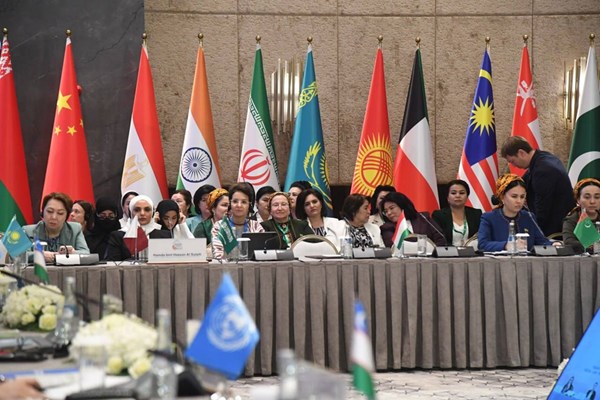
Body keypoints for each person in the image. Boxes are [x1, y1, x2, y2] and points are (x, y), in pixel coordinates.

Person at [501, 136, 575, 236]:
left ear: (521, 153)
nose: (513, 166)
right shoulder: (542, 158)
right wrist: (502, 192)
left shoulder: (543, 170)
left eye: (513, 161)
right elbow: (521, 182)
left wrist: (531, 232)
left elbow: (542, 209)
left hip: (554, 231)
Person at [478, 174, 557, 252]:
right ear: (502, 197)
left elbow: (542, 241)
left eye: (522, 197)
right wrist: (506, 245)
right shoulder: (489, 218)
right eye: (514, 196)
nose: (519, 201)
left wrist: (554, 244)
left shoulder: (529, 216)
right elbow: (482, 245)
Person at [24, 192, 90, 263]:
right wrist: (38, 255)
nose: (54, 217)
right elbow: (20, 255)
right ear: (42, 212)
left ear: (67, 216)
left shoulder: (75, 229)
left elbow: (86, 253)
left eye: (60, 213)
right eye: (50, 211)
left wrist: (72, 253)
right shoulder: (28, 231)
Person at [105, 195, 171, 261]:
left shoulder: (165, 236)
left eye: (147, 210)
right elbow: (113, 263)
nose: (142, 213)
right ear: (131, 212)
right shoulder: (118, 236)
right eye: (137, 210)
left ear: (152, 213)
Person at [211, 184, 264, 259]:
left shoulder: (256, 226)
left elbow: (262, 253)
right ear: (230, 204)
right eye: (235, 201)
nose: (239, 205)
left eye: (244, 202)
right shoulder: (220, 226)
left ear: (249, 205)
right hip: (226, 265)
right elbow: (218, 254)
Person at [380, 192, 446, 247]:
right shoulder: (387, 227)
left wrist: (432, 253)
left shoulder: (423, 218)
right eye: (385, 211)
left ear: (402, 205)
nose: (389, 213)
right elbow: (392, 246)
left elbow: (440, 238)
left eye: (391, 208)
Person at [432, 179, 482, 246]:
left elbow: (480, 237)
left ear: (467, 197)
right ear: (447, 197)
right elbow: (439, 239)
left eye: (462, 193)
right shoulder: (439, 215)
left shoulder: (476, 214)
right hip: (448, 251)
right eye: (453, 193)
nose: (458, 196)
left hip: (473, 251)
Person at [562, 178, 600, 254]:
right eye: (587, 197)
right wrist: (594, 246)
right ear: (578, 200)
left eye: (597, 197)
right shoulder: (572, 219)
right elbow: (569, 242)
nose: (592, 201)